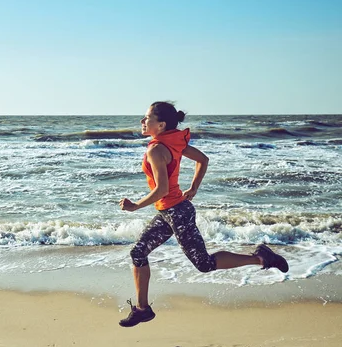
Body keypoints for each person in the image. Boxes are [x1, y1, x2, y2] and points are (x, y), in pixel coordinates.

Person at [118, 101, 289, 327]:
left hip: (177, 213)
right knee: (138, 253)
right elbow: (203, 160)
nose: (142, 121)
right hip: (169, 211)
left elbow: (162, 189)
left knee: (205, 264)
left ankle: (261, 258)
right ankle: (142, 309)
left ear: (160, 125)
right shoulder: (173, 142)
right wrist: (194, 188)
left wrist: (135, 206)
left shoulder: (157, 149)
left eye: (146, 118)